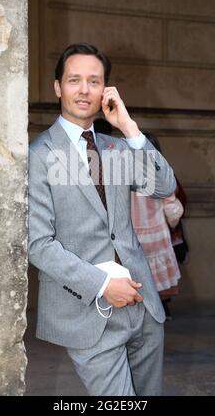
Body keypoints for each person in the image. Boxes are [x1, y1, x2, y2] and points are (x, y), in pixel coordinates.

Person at [28, 43, 176, 396]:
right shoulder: (39, 155)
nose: (84, 89)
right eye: (74, 80)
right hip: (86, 312)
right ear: (57, 87)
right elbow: (38, 244)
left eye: (93, 81)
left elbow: (163, 185)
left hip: (143, 309)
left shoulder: (117, 147)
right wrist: (101, 284)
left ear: (105, 89)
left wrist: (129, 128)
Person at [131, 134, 183, 321]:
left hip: (132, 235)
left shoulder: (124, 173)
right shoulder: (162, 174)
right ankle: (158, 314)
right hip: (157, 234)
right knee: (157, 284)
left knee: (135, 281)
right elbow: (172, 209)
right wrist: (174, 222)